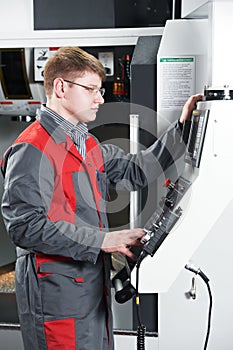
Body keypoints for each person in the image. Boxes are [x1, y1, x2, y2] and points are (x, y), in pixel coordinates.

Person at [0, 46, 202, 350]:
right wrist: (103, 240)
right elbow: (25, 226)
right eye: (91, 89)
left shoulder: (86, 143)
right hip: (56, 295)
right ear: (61, 87)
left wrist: (184, 127)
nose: (100, 98)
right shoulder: (33, 148)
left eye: (101, 89)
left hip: (90, 288)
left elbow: (136, 170)